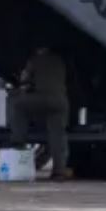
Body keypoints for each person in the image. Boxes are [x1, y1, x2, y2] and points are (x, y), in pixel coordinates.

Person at [16, 46, 72, 180]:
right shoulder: (61, 60)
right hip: (60, 101)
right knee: (58, 136)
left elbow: (24, 80)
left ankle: (17, 138)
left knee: (15, 104)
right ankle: (59, 172)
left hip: (41, 98)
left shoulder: (34, 60)